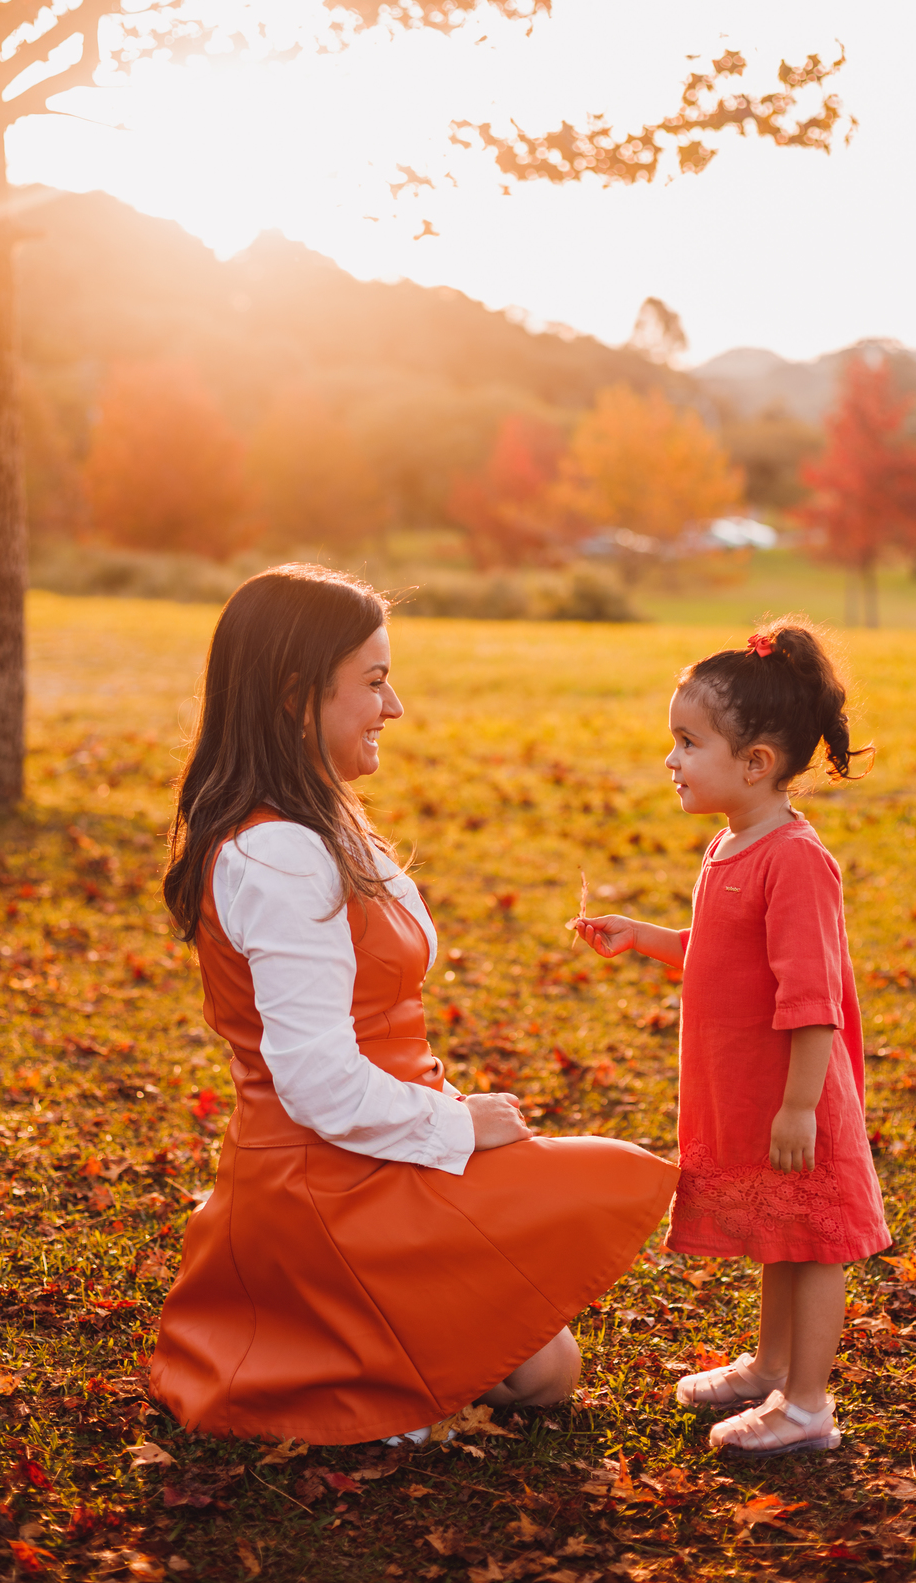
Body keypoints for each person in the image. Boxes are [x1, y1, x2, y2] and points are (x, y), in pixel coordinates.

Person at [150, 564, 677, 1447]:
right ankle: (342, 1351)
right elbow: (317, 1081)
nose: (394, 708)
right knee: (547, 1367)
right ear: (295, 697)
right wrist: (460, 1127)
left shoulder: (321, 819)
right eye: (375, 682)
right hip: (324, 1174)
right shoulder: (277, 855)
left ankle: (389, 1352)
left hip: (385, 1142)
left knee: (543, 1368)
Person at [574, 620, 889, 1456]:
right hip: (752, 1087)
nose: (670, 760)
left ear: (755, 764)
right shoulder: (730, 845)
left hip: (797, 1091)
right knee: (780, 1234)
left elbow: (812, 999)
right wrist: (642, 937)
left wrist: (798, 1107)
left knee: (814, 1244)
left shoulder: (793, 859)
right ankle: (770, 1366)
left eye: (687, 742)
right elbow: (721, 958)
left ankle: (808, 1404)